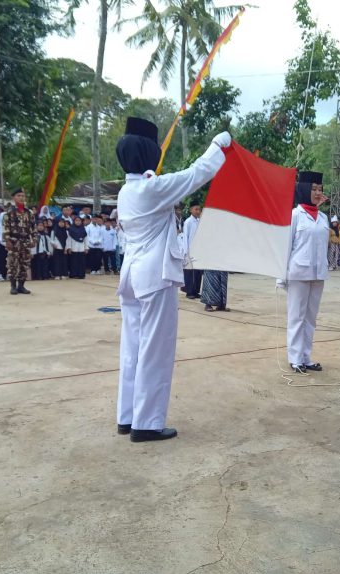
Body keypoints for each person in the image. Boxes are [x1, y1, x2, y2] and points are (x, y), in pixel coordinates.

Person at [115, 116, 230, 442]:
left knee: (132, 349)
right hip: (154, 277)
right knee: (155, 350)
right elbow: (197, 173)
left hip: (132, 276)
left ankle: (127, 416)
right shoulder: (151, 189)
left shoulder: (127, 191)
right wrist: (219, 144)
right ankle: (147, 423)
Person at [278, 171, 329, 374]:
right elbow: (285, 246)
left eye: (320, 189)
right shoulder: (294, 216)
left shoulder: (323, 218)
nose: (317, 193)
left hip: (318, 274)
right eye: (313, 189)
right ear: (304, 189)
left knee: (310, 318)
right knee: (296, 317)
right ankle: (295, 358)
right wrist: (281, 276)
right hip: (298, 273)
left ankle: (306, 357)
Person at [3, 188, 36, 295]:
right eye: (19, 196)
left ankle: (21, 286)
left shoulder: (29, 213)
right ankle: (13, 286)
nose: (21, 198)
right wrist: (7, 240)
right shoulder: (9, 213)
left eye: (23, 196)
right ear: (14, 198)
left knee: (24, 264)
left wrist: (34, 239)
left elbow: (33, 228)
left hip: (25, 241)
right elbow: (5, 227)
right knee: (12, 263)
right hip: (14, 241)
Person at [182, 202, 203, 299]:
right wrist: (186, 252)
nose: (198, 211)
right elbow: (185, 237)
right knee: (189, 272)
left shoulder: (199, 221)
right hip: (190, 250)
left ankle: (196, 291)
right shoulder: (188, 222)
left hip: (198, 249)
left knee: (198, 272)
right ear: (191, 210)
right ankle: (189, 291)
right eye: (196, 209)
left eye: (199, 209)